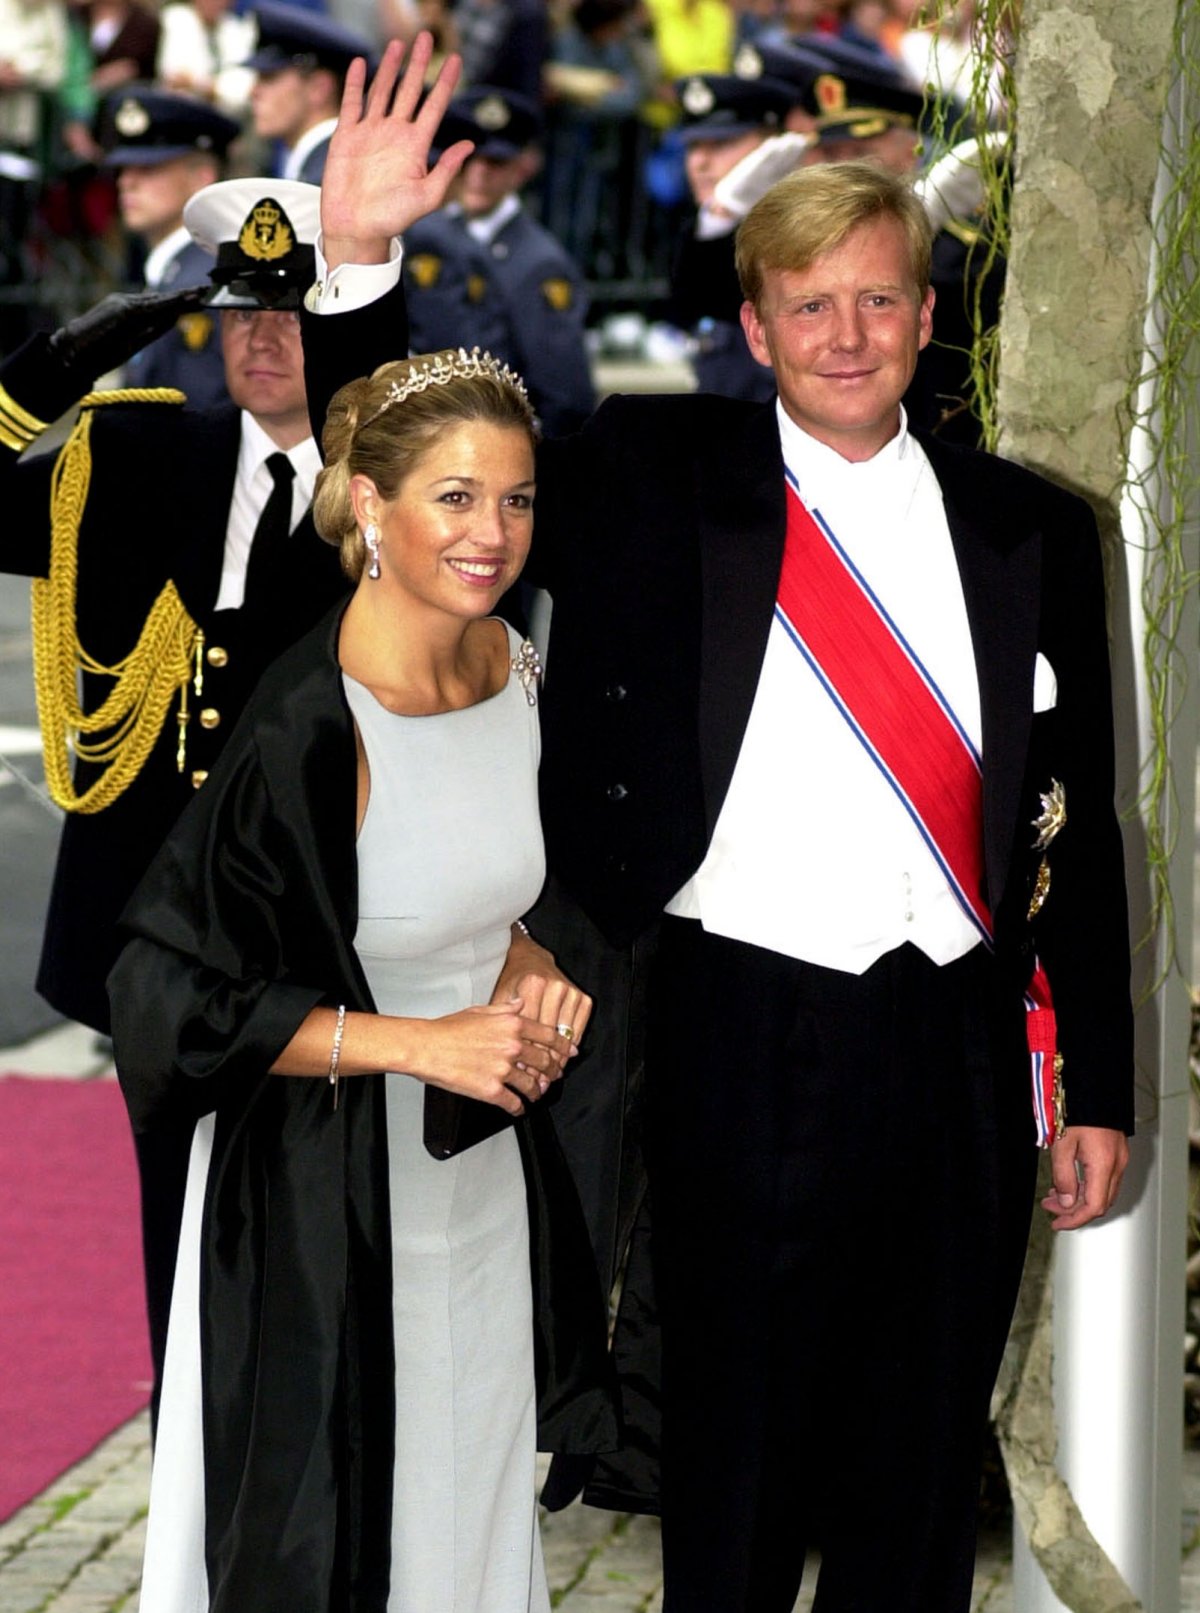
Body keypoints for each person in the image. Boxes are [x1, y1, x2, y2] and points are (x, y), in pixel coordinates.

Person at [305, 47, 1133, 1611]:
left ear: (927, 319)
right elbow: (431, 437)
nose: (846, 335)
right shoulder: (654, 477)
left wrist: (1102, 1084)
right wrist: (359, 261)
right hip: (740, 1027)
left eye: (878, 300)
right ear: (753, 328)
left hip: (955, 1044)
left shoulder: (1033, 528)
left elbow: (1076, 835)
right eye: (808, 305)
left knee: (916, 1483)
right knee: (735, 1482)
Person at [108, 343, 615, 1609]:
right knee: (339, 1534)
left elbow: (485, 892)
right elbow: (164, 997)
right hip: (318, 1206)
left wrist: (529, 961)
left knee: (469, 1505)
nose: (493, 531)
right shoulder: (307, 721)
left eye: (516, 497)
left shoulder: (514, 663)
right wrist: (421, 1042)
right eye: (455, 496)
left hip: (474, 1182)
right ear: (371, 507)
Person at [0, 175, 350, 1396]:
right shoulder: (132, 451)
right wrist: (52, 367)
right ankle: (194, 1545)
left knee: (335, 1270)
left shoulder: (413, 489)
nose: (264, 335)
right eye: (244, 309)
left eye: (297, 310)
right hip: (154, 946)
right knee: (178, 1261)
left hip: (338, 947)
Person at [405, 87, 596, 435]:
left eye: (495, 161)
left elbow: (565, 396)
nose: (478, 174)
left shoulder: (538, 262)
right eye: (469, 159)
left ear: (523, 166)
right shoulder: (424, 235)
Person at [98, 85, 241, 407]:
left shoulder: (201, 282)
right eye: (123, 169)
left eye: (148, 169)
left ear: (202, 176)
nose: (126, 182)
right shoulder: (176, 273)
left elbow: (196, 411)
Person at [246, 0, 371, 183]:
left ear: (318, 88)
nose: (253, 92)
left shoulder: (329, 178)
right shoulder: (318, 168)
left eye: (269, 78)